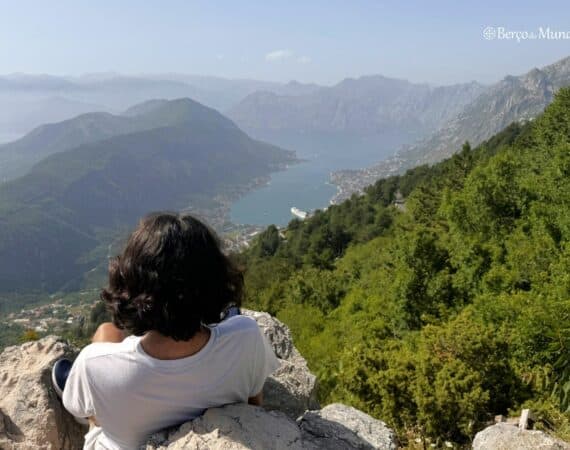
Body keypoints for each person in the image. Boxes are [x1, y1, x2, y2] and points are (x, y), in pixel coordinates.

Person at [54, 212, 280, 449]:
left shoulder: (94, 363)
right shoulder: (246, 336)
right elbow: (254, 402)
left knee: (106, 332)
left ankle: (76, 383)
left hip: (121, 439)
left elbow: (82, 410)